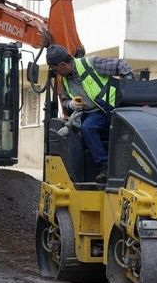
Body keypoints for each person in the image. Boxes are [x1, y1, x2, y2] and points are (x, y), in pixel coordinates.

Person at [45, 44, 134, 183]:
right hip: (88, 113)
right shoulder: (64, 79)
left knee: (88, 128)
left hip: (107, 109)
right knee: (70, 132)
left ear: (62, 64)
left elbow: (122, 65)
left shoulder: (91, 64)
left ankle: (105, 167)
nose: (57, 73)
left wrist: (128, 91)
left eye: (56, 69)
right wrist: (71, 104)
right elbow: (65, 101)